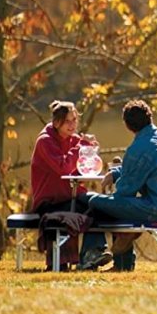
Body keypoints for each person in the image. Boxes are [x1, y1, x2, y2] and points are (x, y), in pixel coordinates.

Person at [83, 99, 157, 271]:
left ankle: (94, 254)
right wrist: (116, 173)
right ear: (150, 117)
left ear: (127, 125)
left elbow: (125, 191)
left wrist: (107, 195)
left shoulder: (138, 148)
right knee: (120, 207)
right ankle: (122, 264)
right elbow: (145, 167)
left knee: (94, 202)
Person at [30, 100, 110, 271]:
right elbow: (64, 167)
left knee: (98, 204)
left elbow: (81, 170)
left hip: (71, 196)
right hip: (49, 203)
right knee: (90, 207)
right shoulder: (45, 141)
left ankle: (92, 253)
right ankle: (88, 256)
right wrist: (82, 147)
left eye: (75, 120)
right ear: (56, 122)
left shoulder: (74, 140)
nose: (73, 124)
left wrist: (90, 156)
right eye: (68, 121)